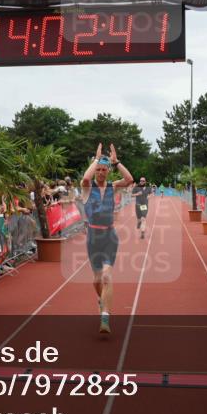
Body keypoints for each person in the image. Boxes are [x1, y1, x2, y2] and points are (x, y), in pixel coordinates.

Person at [81, 143, 133, 334]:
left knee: (106, 276)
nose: (101, 172)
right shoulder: (87, 188)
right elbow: (86, 178)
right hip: (93, 238)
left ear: (108, 171)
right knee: (97, 280)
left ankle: (105, 318)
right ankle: (101, 299)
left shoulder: (113, 186)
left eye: (104, 169)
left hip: (110, 236)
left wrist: (116, 162)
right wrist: (96, 159)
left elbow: (129, 179)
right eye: (98, 169)